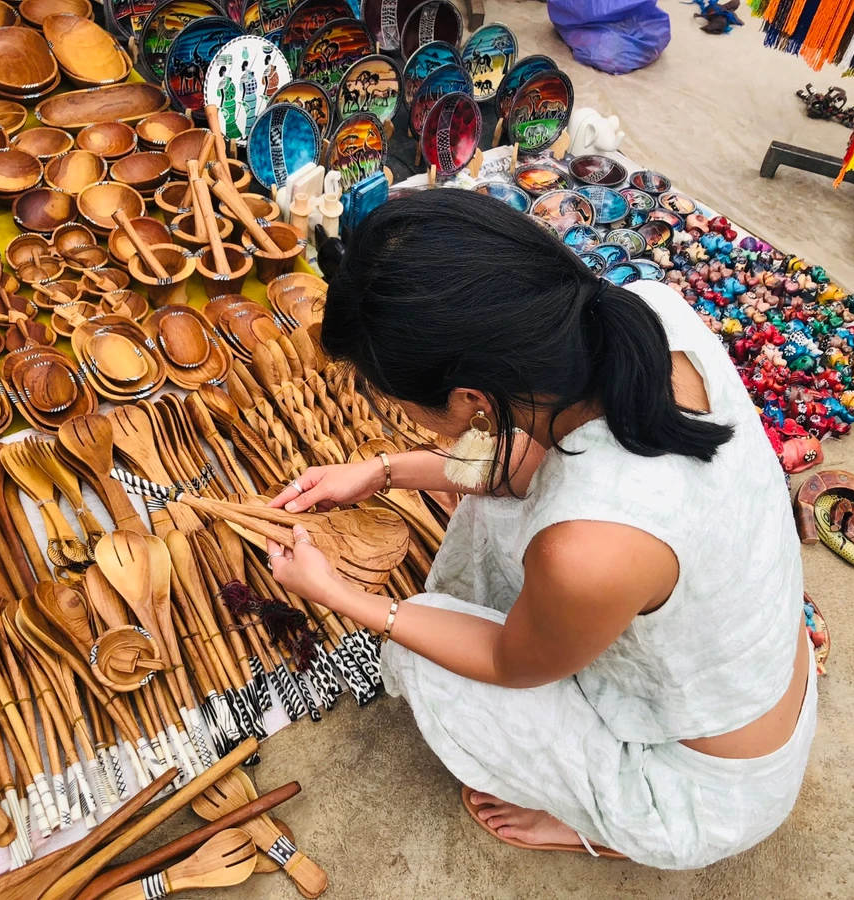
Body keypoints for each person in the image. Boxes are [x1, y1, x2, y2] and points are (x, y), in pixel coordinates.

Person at [264, 189, 816, 869]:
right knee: (500, 517)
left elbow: (506, 664)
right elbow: (527, 460)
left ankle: (616, 823)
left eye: (389, 396)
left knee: (420, 650)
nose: (389, 407)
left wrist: (343, 595)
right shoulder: (643, 314)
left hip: (707, 789)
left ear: (470, 399)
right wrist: (382, 472)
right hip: (752, 684)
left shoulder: (586, 547)